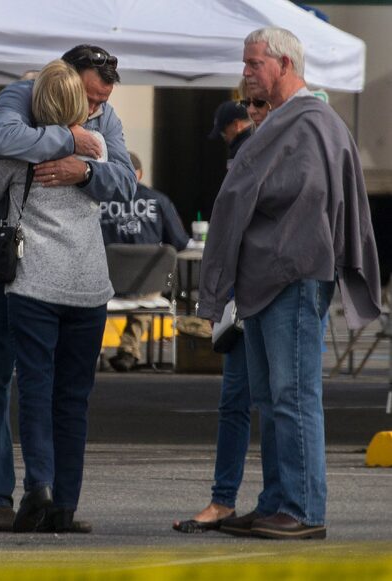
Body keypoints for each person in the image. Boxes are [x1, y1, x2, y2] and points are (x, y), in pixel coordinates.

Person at [199, 27, 381, 540]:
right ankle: (276, 501)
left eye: (254, 63)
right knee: (270, 397)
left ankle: (303, 510)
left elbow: (305, 197)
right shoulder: (284, 122)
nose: (246, 73)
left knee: (293, 396)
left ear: (284, 64)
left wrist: (247, 197)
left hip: (291, 276)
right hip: (266, 279)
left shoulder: (310, 121)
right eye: (245, 64)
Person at [0, 44, 136, 533]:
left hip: (45, 269)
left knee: (44, 387)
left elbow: (124, 182)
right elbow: (4, 137)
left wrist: (86, 168)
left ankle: (49, 493)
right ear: (63, 81)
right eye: (91, 97)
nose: (98, 109)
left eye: (103, 101)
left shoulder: (105, 121)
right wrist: (69, 138)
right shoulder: (18, 96)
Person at [173, 90, 264, 535]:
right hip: (251, 292)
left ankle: (232, 500)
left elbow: (231, 232)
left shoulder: (254, 147)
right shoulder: (252, 148)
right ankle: (265, 502)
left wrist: (215, 298)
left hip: (254, 292)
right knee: (262, 402)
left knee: (247, 402)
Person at [101, 151, 191, 372]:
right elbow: (179, 243)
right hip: (147, 288)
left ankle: (96, 352)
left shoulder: (98, 201)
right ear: (139, 174)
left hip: (106, 286)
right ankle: (129, 350)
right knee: (147, 288)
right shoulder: (159, 201)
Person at [207, 100, 253, 169]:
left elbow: (234, 179)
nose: (224, 137)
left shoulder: (238, 151)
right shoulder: (262, 135)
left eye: (224, 131)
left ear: (236, 124)